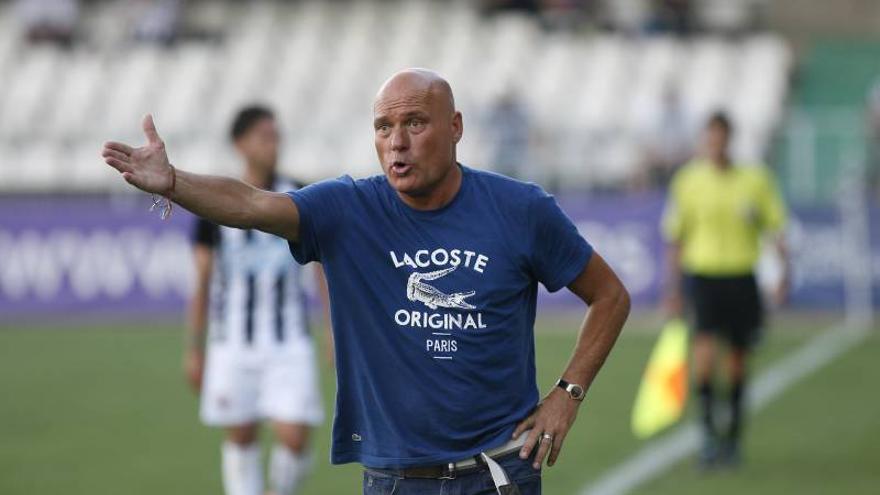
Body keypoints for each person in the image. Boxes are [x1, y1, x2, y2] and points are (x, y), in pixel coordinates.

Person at [101, 68, 630, 495]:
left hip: (499, 474)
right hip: (395, 479)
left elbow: (609, 295)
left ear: (456, 126)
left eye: (416, 123)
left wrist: (568, 393)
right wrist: (174, 182)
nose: (396, 142)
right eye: (383, 127)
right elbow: (249, 203)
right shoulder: (348, 208)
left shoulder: (522, 209)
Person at [186, 106, 327, 495]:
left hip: (289, 339)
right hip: (233, 340)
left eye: (276, 136)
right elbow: (202, 279)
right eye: (265, 136)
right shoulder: (214, 202)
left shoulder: (299, 193)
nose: (274, 144)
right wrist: (194, 348)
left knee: (295, 437)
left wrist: (332, 331)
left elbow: (321, 271)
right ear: (240, 144)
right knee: (242, 433)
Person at [662, 111, 789, 469]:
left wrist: (783, 272)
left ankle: (732, 438)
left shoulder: (755, 179)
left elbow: (775, 227)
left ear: (729, 139)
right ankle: (706, 436)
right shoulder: (688, 180)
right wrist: (672, 287)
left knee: (735, 363)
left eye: (721, 137)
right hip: (703, 278)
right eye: (710, 138)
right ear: (705, 140)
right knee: (702, 359)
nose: (715, 144)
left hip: (741, 278)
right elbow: (675, 236)